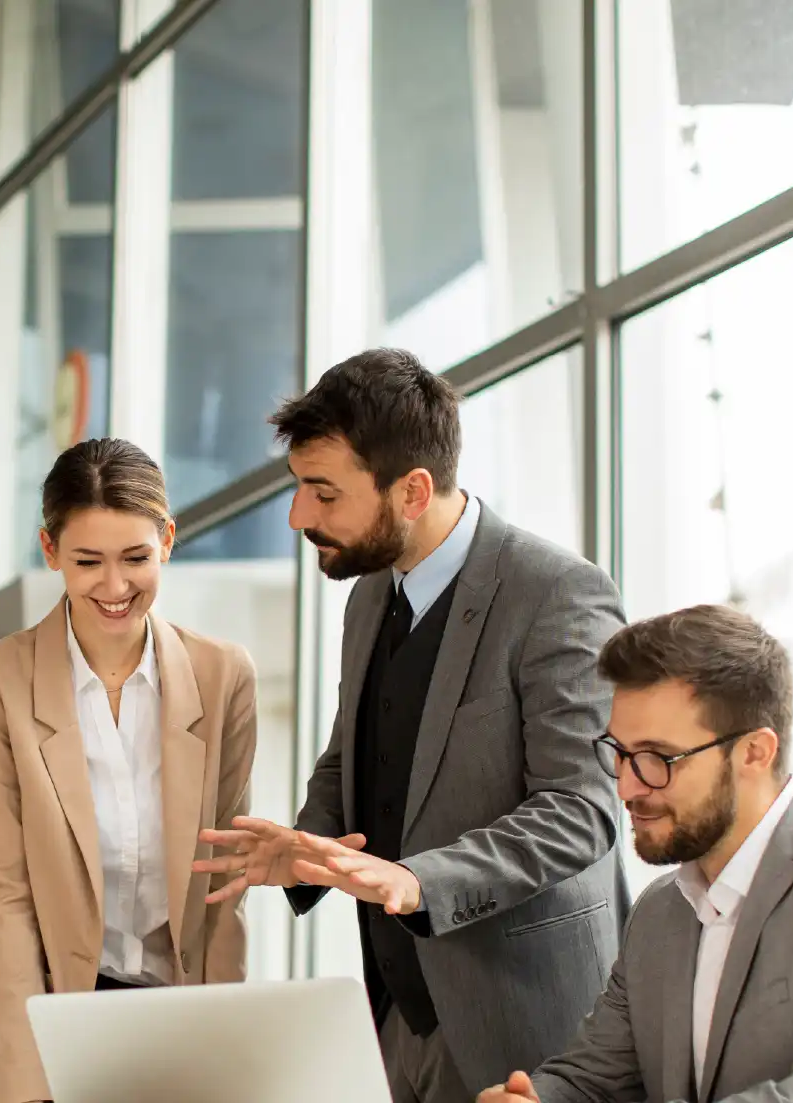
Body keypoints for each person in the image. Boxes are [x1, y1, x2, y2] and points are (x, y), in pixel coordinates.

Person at [196, 349, 628, 1102]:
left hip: (532, 1026)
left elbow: (581, 812)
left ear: (412, 489)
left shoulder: (557, 592)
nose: (300, 517)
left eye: (322, 494)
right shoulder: (368, 596)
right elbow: (354, 754)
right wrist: (307, 846)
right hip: (399, 1017)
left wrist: (415, 879)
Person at [481, 605, 793, 1103]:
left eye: (657, 758)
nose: (627, 785)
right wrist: (536, 1098)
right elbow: (591, 1080)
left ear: (755, 753)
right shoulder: (660, 911)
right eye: (621, 753)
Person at [0, 438, 259, 1103]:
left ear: (167, 539)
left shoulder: (222, 674)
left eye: (136, 557)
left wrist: (225, 1064)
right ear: (50, 551)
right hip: (36, 1028)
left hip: (170, 1033)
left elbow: (227, 887)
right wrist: (28, 1093)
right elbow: (2, 903)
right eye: (88, 561)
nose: (114, 587)